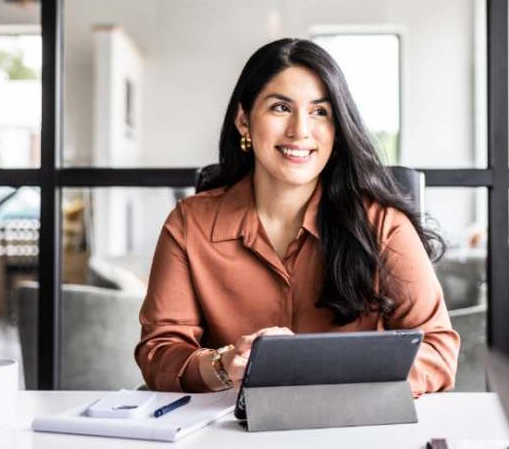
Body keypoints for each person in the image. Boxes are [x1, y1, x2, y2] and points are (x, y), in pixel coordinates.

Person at [135, 38, 458, 397]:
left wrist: (326, 371)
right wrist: (223, 365)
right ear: (244, 120)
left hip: (352, 427)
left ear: (337, 130)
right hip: (230, 430)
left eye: (320, 112)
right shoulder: (188, 224)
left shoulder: (382, 225)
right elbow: (159, 352)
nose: (300, 130)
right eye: (280, 108)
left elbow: (437, 350)